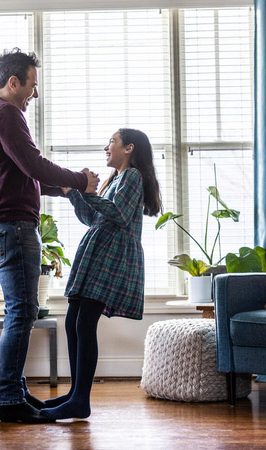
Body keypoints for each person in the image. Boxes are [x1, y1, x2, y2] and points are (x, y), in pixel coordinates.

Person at [0, 48, 99, 424]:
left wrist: (64, 190)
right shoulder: (5, 112)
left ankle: (17, 391)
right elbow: (32, 163)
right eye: (32, 86)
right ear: (14, 83)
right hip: (10, 226)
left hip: (1, 224)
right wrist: (80, 180)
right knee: (22, 311)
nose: (35, 95)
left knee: (20, 310)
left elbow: (20, 175)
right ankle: (10, 400)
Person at [41, 128, 162, 420]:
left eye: (112, 141)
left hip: (112, 256)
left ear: (129, 148)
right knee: (73, 322)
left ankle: (80, 400)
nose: (106, 146)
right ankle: (74, 394)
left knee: (83, 324)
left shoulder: (132, 177)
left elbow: (118, 214)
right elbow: (92, 218)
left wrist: (83, 190)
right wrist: (75, 195)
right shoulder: (114, 180)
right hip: (98, 253)